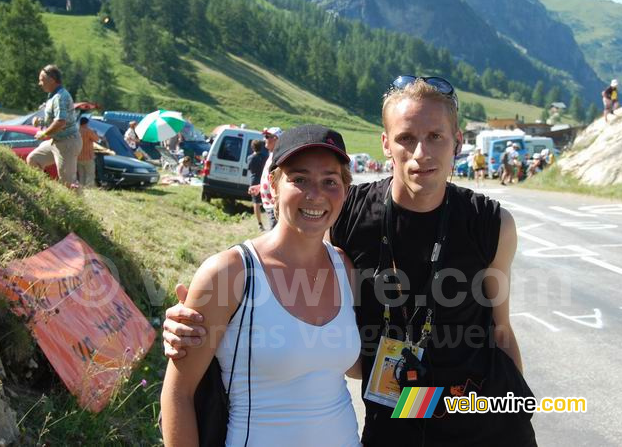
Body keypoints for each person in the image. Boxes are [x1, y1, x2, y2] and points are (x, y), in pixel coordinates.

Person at [164, 76, 537, 446]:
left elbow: (500, 331)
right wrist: (197, 317)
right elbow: (291, 280)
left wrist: (517, 408)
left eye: (435, 136)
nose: (421, 153)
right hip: (394, 426)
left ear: (457, 141)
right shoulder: (346, 216)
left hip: (483, 425)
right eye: (406, 137)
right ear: (386, 144)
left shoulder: (491, 224)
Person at [160, 125, 361, 447]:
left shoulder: (343, 267)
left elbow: (354, 367)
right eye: (300, 179)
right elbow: (177, 394)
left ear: (345, 191)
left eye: (330, 181)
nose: (315, 194)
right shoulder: (230, 273)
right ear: (274, 184)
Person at [27, 64, 81, 186]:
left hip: (68, 143)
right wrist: (40, 122)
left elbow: (61, 122)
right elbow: (56, 120)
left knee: (68, 183)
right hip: (57, 142)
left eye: (41, 79)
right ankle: (45, 191)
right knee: (33, 160)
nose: (39, 83)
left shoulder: (60, 97)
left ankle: (78, 204)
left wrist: (44, 133)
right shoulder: (54, 97)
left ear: (51, 79)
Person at [248, 127, 282, 230]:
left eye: (267, 136)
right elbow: (271, 178)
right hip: (269, 205)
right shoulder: (271, 155)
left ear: (276, 138)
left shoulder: (278, 156)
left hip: (273, 205)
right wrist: (260, 187)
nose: (264, 139)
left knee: (273, 237)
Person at [247, 139, 268, 231]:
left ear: (252, 147)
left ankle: (260, 223)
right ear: (261, 147)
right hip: (263, 180)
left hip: (254, 180)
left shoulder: (250, 158)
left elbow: (249, 168)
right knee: (266, 200)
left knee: (256, 203)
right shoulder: (265, 157)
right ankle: (270, 219)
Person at [76, 116, 99, 188]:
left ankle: (82, 188)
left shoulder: (76, 131)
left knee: (81, 175)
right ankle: (89, 188)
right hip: (88, 156)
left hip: (78, 156)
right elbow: (96, 139)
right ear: (86, 123)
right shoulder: (88, 131)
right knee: (90, 174)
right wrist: (95, 133)